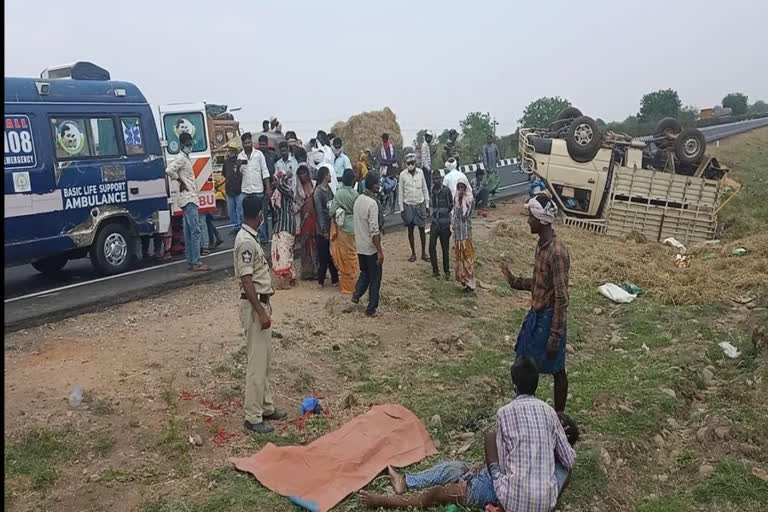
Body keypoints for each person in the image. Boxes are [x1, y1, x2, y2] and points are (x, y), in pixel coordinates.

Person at [359, 360, 578, 511]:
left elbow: (501, 455)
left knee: (446, 483)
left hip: (502, 491)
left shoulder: (508, 413)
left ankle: (388, 499)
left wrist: (487, 469)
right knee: (454, 469)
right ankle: (406, 481)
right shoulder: (549, 419)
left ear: (514, 385)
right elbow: (568, 459)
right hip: (535, 499)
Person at [500, 194, 570, 412]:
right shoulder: (542, 245)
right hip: (536, 316)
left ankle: (558, 417)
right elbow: (540, 283)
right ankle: (527, 409)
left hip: (549, 319)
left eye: (531, 216)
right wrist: (515, 282)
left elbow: (561, 297)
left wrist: (555, 335)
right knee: (523, 365)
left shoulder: (557, 252)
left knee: (556, 369)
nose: (528, 221)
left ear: (541, 220)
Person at [484, 356, 576, 512]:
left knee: (489, 437)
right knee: (566, 469)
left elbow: (503, 463)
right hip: (545, 504)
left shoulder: (503, 413)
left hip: (510, 502)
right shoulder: (549, 412)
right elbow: (569, 460)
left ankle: (503, 504)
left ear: (514, 385)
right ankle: (548, 504)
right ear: (536, 384)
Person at [234, 195, 287, 434]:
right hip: (255, 306)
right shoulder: (246, 242)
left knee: (264, 360)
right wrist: (261, 313)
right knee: (256, 363)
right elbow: (246, 280)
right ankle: (252, 416)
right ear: (259, 216)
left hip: (261, 305)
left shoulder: (250, 238)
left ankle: (265, 407)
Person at [165, 132, 208, 271]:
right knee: (195, 231)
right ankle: (196, 261)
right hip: (188, 198)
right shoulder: (181, 158)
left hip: (187, 197)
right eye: (188, 145)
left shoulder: (185, 158)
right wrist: (180, 180)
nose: (190, 146)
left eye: (191, 144)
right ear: (182, 145)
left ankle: (191, 260)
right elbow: (169, 170)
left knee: (189, 232)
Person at [352, 172, 384, 317]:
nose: (379, 186)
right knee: (375, 278)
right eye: (378, 183)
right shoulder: (373, 204)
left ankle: (356, 295)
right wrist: (380, 251)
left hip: (360, 245)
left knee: (365, 273)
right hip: (370, 248)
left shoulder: (358, 199)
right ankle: (371, 309)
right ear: (374, 185)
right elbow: (374, 230)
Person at [329, 168, 360, 294]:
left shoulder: (339, 194)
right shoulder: (356, 194)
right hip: (355, 228)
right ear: (353, 180)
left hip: (343, 228)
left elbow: (331, 211)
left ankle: (347, 286)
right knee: (353, 255)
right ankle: (355, 282)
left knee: (344, 258)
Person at [238, 132, 272, 243]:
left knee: (260, 217)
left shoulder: (258, 155)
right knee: (245, 216)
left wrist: (268, 188)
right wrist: (237, 167)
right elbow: (238, 176)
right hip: (245, 191)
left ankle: (263, 240)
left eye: (249, 142)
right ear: (242, 144)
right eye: (245, 143)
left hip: (258, 190)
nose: (247, 145)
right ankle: (250, 239)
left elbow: (265, 171)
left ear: (251, 142)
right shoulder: (240, 156)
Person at [398, 153, 430, 263]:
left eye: (412, 163)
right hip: (408, 205)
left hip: (420, 203)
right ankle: (413, 253)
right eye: (408, 163)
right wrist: (402, 209)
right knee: (410, 230)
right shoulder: (402, 175)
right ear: (406, 164)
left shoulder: (420, 172)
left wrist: (427, 205)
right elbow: (400, 193)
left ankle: (423, 253)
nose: (410, 165)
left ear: (415, 163)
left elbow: (425, 189)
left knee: (422, 229)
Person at [270, 168, 298, 287]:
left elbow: (284, 190)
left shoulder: (288, 190)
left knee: (283, 253)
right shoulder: (277, 192)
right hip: (281, 225)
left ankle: (286, 281)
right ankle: (291, 278)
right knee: (284, 252)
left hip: (285, 226)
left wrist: (278, 183)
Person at [313, 165, 338, 288]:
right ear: (324, 176)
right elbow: (319, 213)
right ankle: (322, 280)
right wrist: (324, 230)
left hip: (330, 226)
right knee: (324, 256)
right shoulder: (318, 192)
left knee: (330, 255)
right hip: (323, 229)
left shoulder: (328, 189)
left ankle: (331, 279)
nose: (330, 176)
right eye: (329, 174)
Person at [294, 164, 317, 280]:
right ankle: (307, 272)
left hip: (315, 219)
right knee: (305, 245)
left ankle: (316, 271)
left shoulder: (314, 184)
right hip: (304, 220)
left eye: (304, 173)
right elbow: (296, 206)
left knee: (315, 244)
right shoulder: (298, 190)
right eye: (300, 174)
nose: (303, 176)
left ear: (308, 173)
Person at [453, 178, 476, 295]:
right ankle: (465, 283)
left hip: (466, 234)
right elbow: (455, 215)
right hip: (458, 234)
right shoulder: (456, 197)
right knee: (460, 260)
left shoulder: (469, 199)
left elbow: (464, 216)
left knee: (468, 261)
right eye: (459, 187)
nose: (461, 190)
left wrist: (462, 201)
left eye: (463, 187)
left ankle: (471, 286)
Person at [429, 172, 453, 280]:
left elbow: (451, 204)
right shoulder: (432, 191)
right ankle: (435, 271)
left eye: (438, 178)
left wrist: (445, 215)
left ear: (441, 179)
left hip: (444, 224)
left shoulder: (446, 191)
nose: (436, 181)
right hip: (434, 223)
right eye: (434, 179)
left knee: (445, 249)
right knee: (431, 247)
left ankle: (447, 271)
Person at [222, 143, 244, 233]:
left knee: (240, 210)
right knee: (231, 211)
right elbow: (224, 174)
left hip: (239, 189)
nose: (231, 152)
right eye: (230, 150)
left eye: (233, 150)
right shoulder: (226, 162)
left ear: (236, 151)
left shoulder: (240, 161)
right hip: (229, 190)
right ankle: (235, 226)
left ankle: (241, 226)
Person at [482, 135, 501, 208]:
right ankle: (489, 200)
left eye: (490, 138)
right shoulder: (485, 147)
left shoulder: (494, 146)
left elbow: (497, 153)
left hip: (494, 167)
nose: (489, 140)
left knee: (495, 183)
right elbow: (484, 157)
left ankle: (493, 200)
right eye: (488, 138)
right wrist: (486, 167)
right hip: (489, 168)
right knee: (490, 183)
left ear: (492, 139)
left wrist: (498, 160)